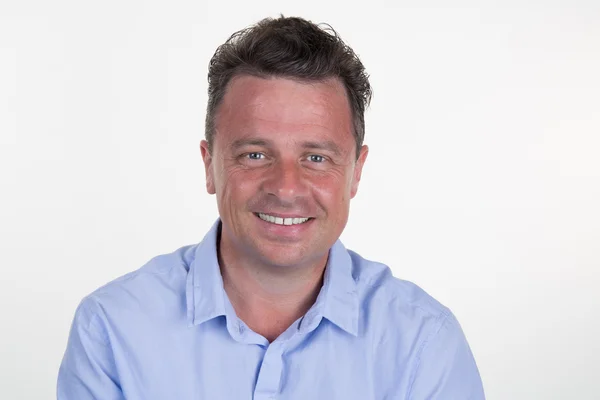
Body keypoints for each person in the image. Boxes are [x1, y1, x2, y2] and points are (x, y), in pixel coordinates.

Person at [57, 16, 485, 399]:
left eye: (316, 157)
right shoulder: (112, 329)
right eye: (255, 154)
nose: (286, 187)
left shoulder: (425, 345)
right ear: (210, 166)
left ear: (355, 173)